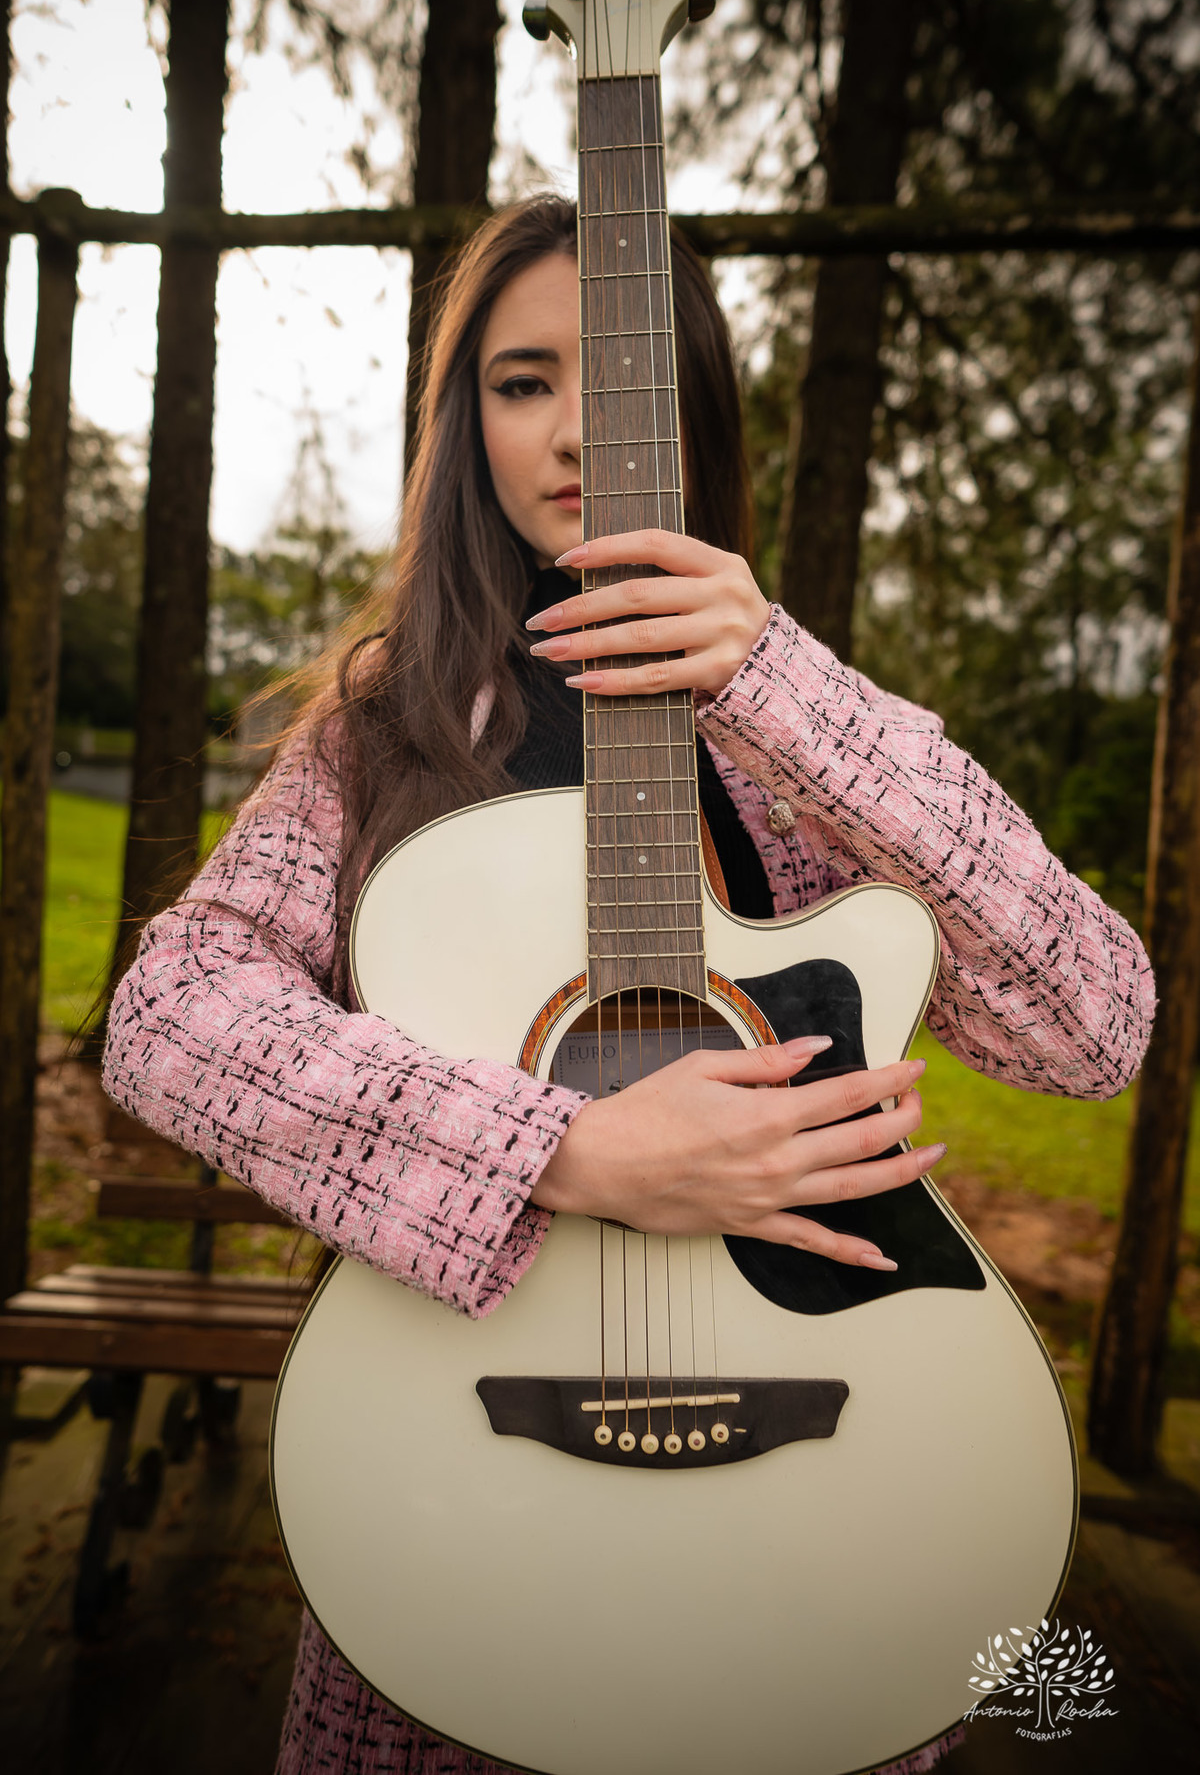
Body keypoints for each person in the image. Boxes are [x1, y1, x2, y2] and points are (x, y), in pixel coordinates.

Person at [103, 195, 1155, 1775]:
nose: (578, 430)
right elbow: (170, 1013)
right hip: (454, 1471)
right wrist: (564, 1149)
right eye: (523, 380)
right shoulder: (389, 725)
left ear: (699, 406)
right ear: (466, 425)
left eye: (626, 377)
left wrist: (779, 679)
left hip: (833, 1463)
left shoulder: (805, 739)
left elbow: (1094, 1024)